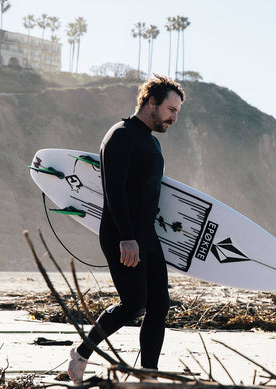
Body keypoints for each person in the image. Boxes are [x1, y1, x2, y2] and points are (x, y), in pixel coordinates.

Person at [67, 75, 185, 384]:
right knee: (133, 305)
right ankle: (80, 354)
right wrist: (128, 238)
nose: (174, 118)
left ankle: (149, 375)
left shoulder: (151, 142)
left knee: (159, 305)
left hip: (147, 235)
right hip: (123, 234)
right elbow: (114, 190)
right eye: (171, 110)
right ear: (151, 102)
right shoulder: (120, 135)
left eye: (177, 112)